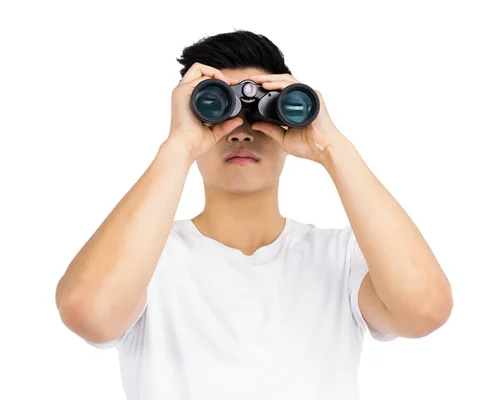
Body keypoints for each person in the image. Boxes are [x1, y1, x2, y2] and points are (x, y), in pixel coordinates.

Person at [55, 30, 453, 400]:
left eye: (261, 113)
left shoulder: (341, 256)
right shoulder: (146, 259)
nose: (241, 132)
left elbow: (425, 310)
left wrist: (331, 146)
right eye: (216, 108)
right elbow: (90, 313)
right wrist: (180, 143)